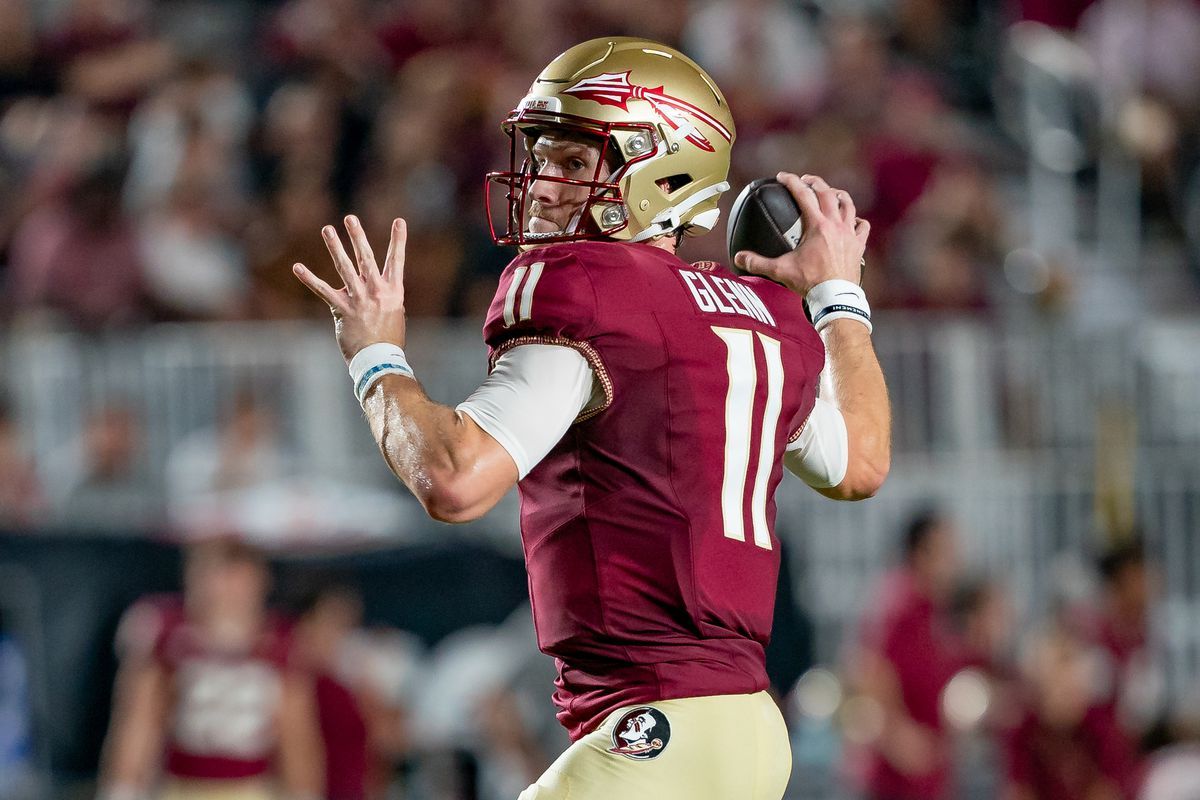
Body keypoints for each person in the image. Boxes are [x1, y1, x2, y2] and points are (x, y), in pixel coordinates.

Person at [292, 37, 890, 799]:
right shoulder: (766, 317)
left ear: (663, 167)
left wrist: (376, 358)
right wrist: (840, 301)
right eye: (542, 156)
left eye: (575, 162)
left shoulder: (590, 288)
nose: (542, 185)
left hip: (663, 731)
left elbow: (454, 479)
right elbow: (861, 462)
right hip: (746, 733)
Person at [98, 537, 323, 800]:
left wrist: (304, 793)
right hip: (182, 788)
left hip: (251, 789)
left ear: (259, 584)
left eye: (235, 582)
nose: (225, 593)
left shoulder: (280, 642)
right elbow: (139, 721)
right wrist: (121, 790)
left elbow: (296, 735)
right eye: (217, 578)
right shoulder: (166, 632)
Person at [843, 511, 963, 800]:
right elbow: (868, 668)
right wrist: (897, 735)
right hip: (894, 774)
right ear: (922, 552)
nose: (955, 562)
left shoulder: (938, 607)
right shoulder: (897, 601)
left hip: (929, 768)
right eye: (947, 551)